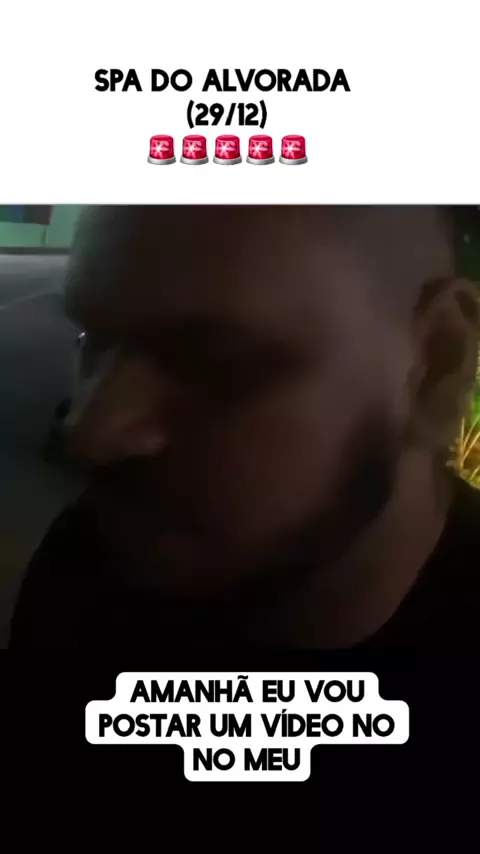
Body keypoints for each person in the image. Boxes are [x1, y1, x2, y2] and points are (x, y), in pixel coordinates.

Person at [9, 205, 480, 650]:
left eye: (213, 362)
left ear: (437, 364)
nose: (88, 433)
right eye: (92, 340)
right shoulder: (89, 563)